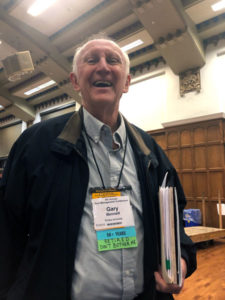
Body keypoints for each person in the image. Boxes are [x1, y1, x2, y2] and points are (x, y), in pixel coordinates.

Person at [0, 36, 196, 300]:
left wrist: (180, 259)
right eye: (91, 60)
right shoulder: (35, 145)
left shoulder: (150, 151)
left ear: (126, 82)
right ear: (75, 81)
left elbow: (174, 219)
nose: (103, 67)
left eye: (113, 60)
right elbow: (7, 230)